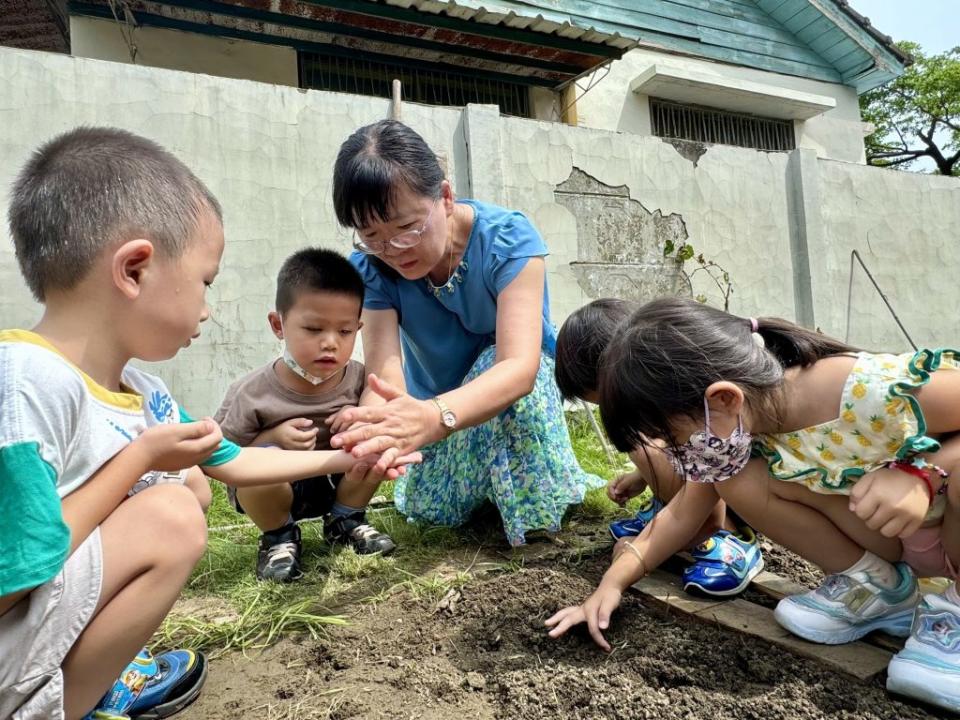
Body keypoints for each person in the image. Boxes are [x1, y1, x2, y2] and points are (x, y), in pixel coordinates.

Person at [0, 127, 416, 720]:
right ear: (135, 269)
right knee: (170, 513)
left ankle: (87, 686)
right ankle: (59, 705)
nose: (207, 306)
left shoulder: (144, 394)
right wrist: (139, 462)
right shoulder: (24, 383)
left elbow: (235, 462)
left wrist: (350, 457)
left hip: (37, 638)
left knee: (191, 486)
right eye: (205, 281)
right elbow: (10, 581)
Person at [546, 296, 960, 713]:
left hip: (943, 520)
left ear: (723, 399)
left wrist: (923, 475)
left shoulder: (866, 389)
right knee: (738, 479)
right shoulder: (743, 434)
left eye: (675, 438)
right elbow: (680, 515)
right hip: (900, 539)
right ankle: (877, 588)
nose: (678, 458)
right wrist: (610, 586)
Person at [326, 119, 602, 546]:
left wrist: (434, 416)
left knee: (496, 359)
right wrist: (376, 424)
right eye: (371, 236)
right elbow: (385, 373)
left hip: (501, 406)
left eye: (406, 227)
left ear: (446, 197)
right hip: (433, 417)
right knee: (437, 512)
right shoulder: (372, 268)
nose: (394, 250)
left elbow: (519, 368)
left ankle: (529, 522)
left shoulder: (509, 241)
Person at [554, 298, 763, 597]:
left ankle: (724, 537)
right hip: (711, 482)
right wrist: (641, 477)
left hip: (744, 491)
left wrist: (637, 553)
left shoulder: (698, 406)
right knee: (643, 444)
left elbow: (705, 461)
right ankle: (668, 510)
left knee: (645, 446)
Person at [215, 248, 395, 583]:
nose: (330, 343)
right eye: (313, 329)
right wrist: (272, 439)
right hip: (278, 491)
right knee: (255, 468)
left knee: (377, 447)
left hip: (340, 483)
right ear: (277, 325)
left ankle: (346, 521)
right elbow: (222, 458)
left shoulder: (360, 381)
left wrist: (361, 418)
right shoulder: (251, 392)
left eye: (344, 332)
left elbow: (382, 426)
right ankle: (279, 538)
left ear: (358, 328)